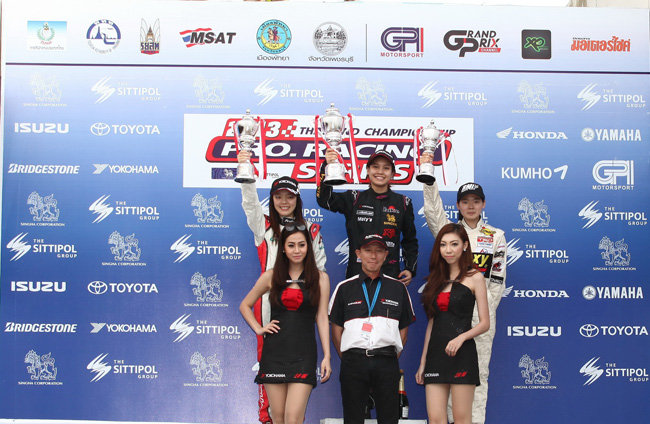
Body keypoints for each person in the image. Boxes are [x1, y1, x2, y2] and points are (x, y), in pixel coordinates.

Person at [239, 150, 327, 424]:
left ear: (297, 200)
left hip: (301, 310)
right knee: (272, 395)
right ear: (272, 200)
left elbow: (320, 271)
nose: (284, 202)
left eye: (290, 197)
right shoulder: (264, 225)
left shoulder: (311, 231)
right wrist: (246, 171)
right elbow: (250, 204)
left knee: (294, 410)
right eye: (278, 197)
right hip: (270, 307)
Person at [421, 152, 506, 424]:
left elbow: (497, 281)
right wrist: (429, 179)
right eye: (465, 201)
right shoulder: (450, 232)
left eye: (476, 201)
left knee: (477, 377)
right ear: (458, 205)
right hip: (449, 314)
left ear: (483, 204)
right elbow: (433, 212)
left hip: (479, 316)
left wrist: (483, 311)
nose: (471, 206)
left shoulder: (496, 236)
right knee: (445, 379)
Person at [240, 224, 331, 424]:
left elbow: (322, 318)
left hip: (304, 355)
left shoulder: (321, 278)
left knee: (293, 418)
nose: (297, 250)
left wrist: (327, 355)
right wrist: (259, 328)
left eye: (301, 245)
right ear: (282, 248)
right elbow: (245, 305)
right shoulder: (271, 276)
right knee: (278, 418)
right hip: (274, 354)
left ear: (309, 247)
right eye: (291, 245)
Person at [329, 233, 416, 424]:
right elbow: (336, 331)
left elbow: (403, 331)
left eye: (379, 251)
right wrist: (350, 359)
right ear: (358, 253)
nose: (373, 256)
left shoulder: (398, 288)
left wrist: (389, 357)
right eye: (368, 250)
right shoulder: (344, 288)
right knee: (353, 420)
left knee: (389, 419)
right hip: (353, 362)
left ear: (386, 255)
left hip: (386, 361)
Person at [416, 223, 489, 424]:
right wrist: (423, 363)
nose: (448, 250)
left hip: (462, 355)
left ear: (464, 245)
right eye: (443, 244)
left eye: (454, 244)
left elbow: (485, 323)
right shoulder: (435, 280)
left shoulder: (475, 277)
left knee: (462, 419)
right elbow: (432, 324)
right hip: (436, 356)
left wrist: (461, 338)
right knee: (435, 419)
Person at [316, 148, 417, 285]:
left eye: (386, 168)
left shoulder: (403, 203)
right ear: (368, 170)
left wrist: (410, 268)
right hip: (357, 275)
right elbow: (324, 200)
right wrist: (327, 167)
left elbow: (410, 240)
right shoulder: (354, 198)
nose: (380, 172)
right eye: (375, 167)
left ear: (393, 173)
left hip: (390, 276)